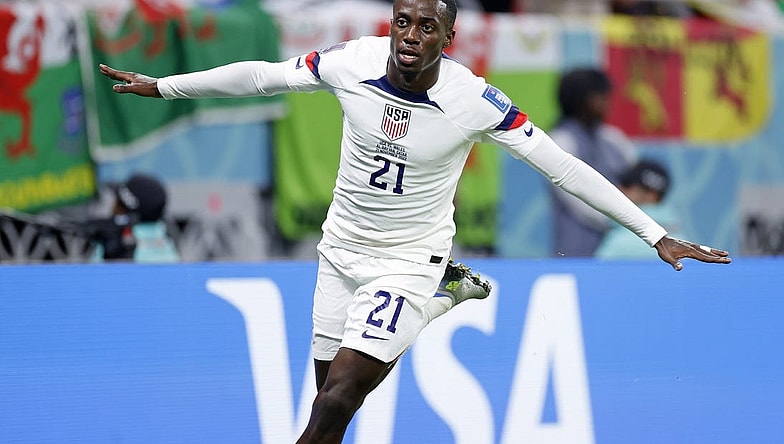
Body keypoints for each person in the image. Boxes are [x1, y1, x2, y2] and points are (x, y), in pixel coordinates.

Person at [97, 0, 730, 441]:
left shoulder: (473, 100)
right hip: (339, 253)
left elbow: (563, 167)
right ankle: (445, 297)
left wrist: (655, 233)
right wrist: (166, 87)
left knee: (338, 397)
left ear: (446, 38)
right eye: (402, 21)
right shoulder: (352, 61)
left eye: (427, 26)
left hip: (407, 262)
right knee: (330, 409)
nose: (410, 34)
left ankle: (431, 293)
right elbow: (263, 77)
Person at [548, 67, 638, 257]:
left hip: (623, 252)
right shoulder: (559, 141)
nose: (607, 103)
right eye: (601, 97)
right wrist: (628, 218)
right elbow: (579, 202)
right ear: (580, 100)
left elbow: (639, 187)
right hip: (578, 253)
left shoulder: (615, 140)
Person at [595, 159, 687, 259]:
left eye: (627, 184)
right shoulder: (684, 244)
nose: (619, 189)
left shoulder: (619, 244)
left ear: (651, 195)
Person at [90, 173, 180, 263]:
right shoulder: (170, 247)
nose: (113, 207)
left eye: (117, 202)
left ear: (123, 212)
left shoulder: (114, 245)